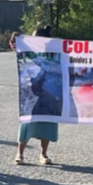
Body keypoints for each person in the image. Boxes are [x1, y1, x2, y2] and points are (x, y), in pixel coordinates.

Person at [17, 24, 58, 165]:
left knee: (47, 121)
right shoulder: (29, 51)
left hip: (49, 92)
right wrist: (16, 38)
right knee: (28, 121)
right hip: (31, 93)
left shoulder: (55, 52)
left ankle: (43, 154)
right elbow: (16, 47)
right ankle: (20, 153)